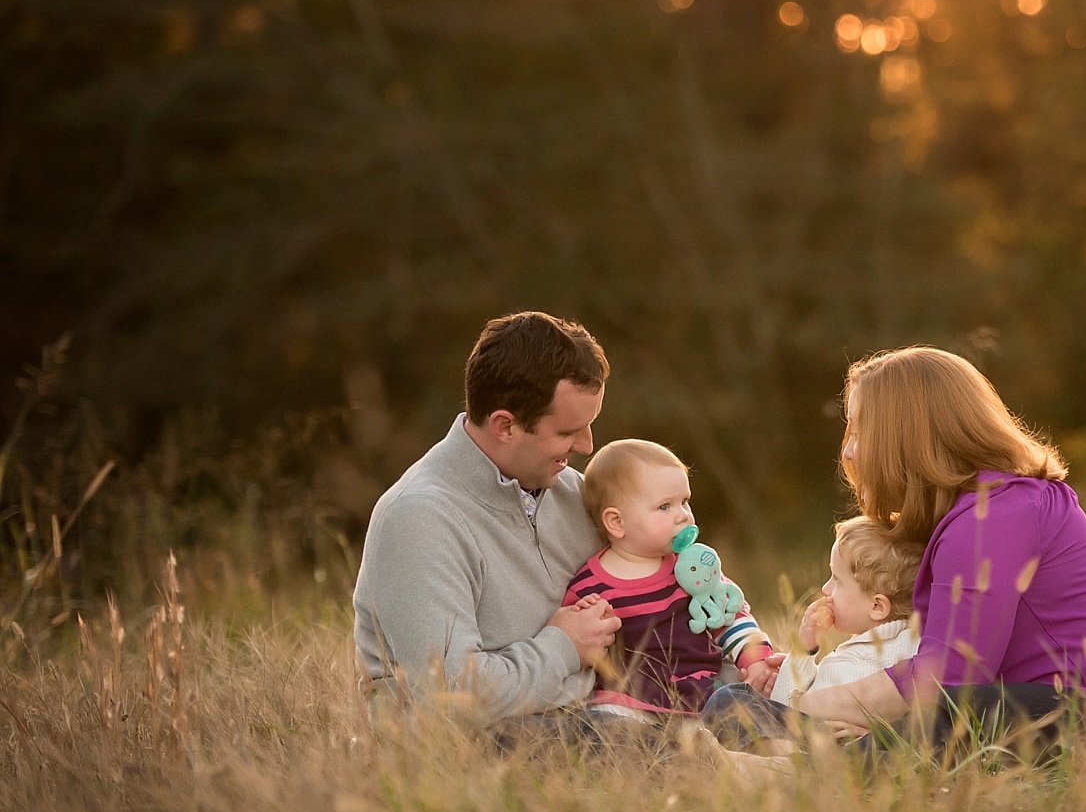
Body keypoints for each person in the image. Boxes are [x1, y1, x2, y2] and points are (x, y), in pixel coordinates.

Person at [789, 346, 1086, 759]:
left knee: (966, 713)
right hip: (1066, 717)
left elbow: (943, 678)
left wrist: (797, 708)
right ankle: (787, 747)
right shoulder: (980, 510)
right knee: (957, 714)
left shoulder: (994, 517)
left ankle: (792, 764)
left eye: (860, 433)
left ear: (904, 438)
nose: (848, 452)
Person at [352, 312, 623, 728]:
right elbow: (452, 698)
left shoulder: (576, 496)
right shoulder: (419, 519)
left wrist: (744, 659)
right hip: (472, 752)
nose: (587, 446)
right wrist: (565, 646)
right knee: (656, 750)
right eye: (570, 431)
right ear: (505, 426)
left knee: (741, 712)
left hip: (597, 720)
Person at [565, 438, 781, 722]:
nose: (682, 515)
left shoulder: (691, 567)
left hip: (705, 688)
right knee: (604, 723)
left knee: (748, 707)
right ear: (616, 522)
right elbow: (577, 645)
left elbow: (730, 614)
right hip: (631, 700)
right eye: (665, 507)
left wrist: (755, 659)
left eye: (684, 502)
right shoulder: (589, 587)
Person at [700, 515, 921, 751]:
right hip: (818, 739)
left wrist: (879, 737)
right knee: (732, 696)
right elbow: (785, 703)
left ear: (877, 607)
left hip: (840, 747)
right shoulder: (856, 648)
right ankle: (775, 757)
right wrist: (802, 657)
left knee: (727, 700)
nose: (826, 589)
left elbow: (784, 703)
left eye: (837, 580)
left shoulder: (910, 646)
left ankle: (772, 759)